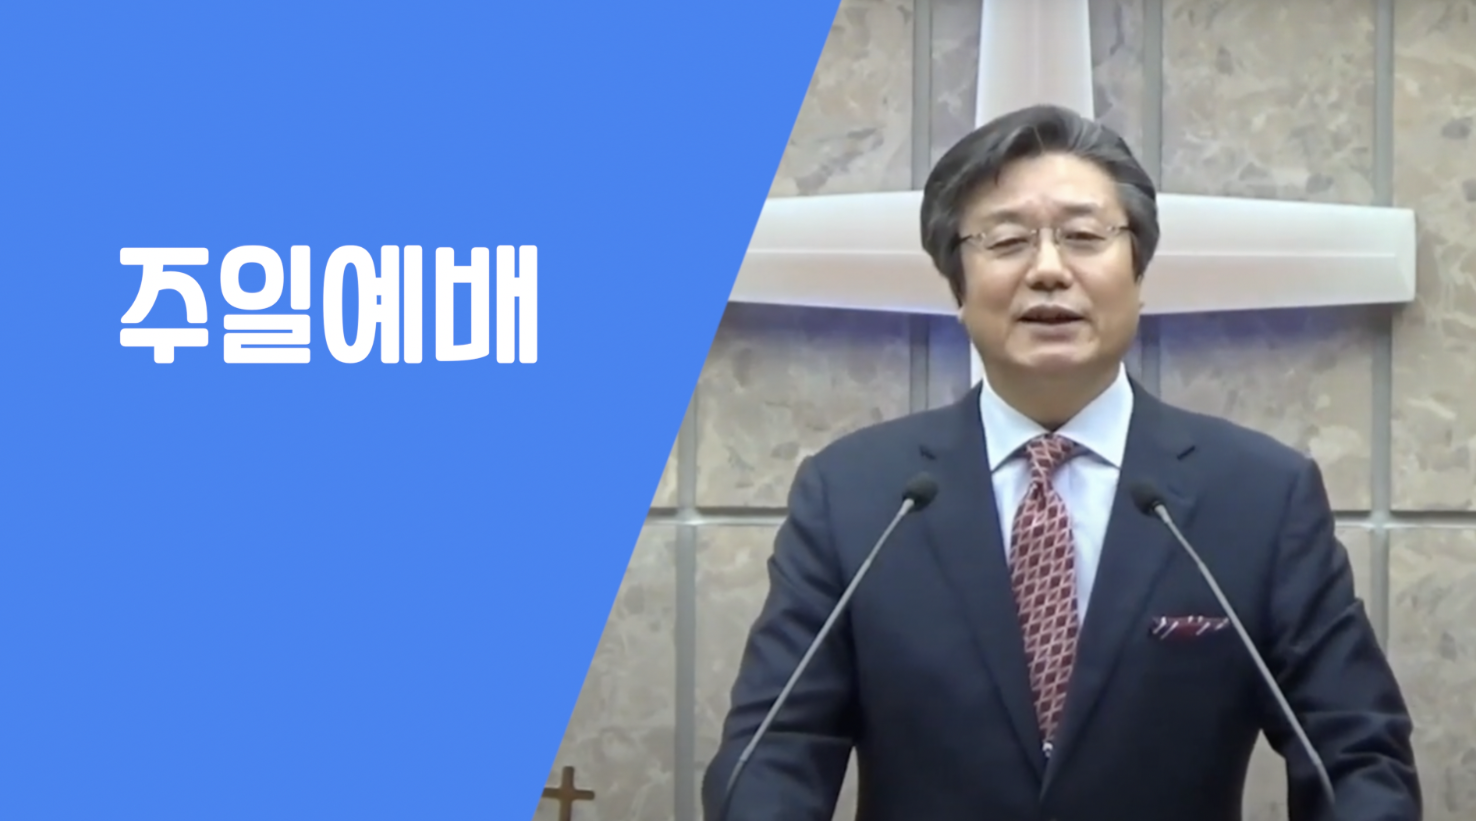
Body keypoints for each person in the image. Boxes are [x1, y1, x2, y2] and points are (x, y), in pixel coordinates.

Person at [700, 104, 1420, 821]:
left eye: (1083, 236)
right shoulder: (857, 494)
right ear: (957, 285)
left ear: (1138, 271)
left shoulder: (1259, 495)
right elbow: (774, 752)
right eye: (1007, 240)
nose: (1048, 270)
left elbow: (1357, 756)